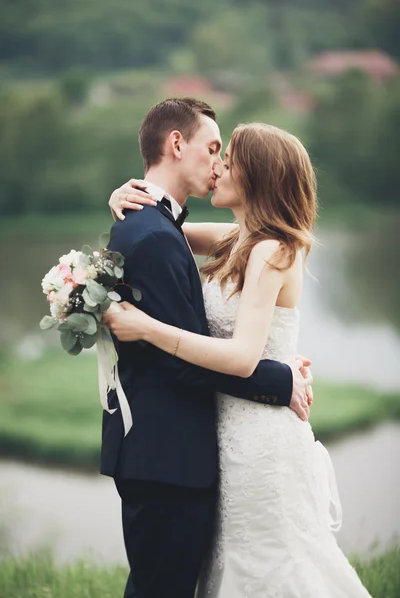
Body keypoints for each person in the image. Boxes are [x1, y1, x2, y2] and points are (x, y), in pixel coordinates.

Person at [106, 121, 372, 597]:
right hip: (225, 434)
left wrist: (146, 328)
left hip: (261, 439)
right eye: (216, 153)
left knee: (272, 564)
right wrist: (127, 193)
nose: (218, 166)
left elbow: (245, 358)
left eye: (228, 158)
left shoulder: (271, 249)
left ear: (257, 174)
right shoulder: (239, 239)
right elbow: (164, 230)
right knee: (233, 564)